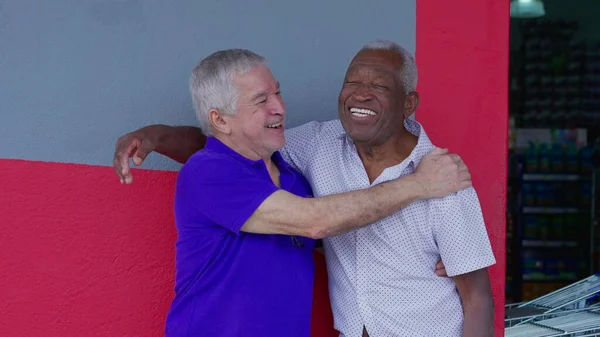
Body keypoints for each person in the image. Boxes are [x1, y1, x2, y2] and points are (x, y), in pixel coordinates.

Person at [114, 41, 495, 337]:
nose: (280, 107)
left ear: (408, 103)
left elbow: (477, 294)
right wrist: (155, 136)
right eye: (262, 100)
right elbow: (312, 218)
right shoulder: (307, 150)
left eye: (277, 93)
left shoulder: (441, 175)